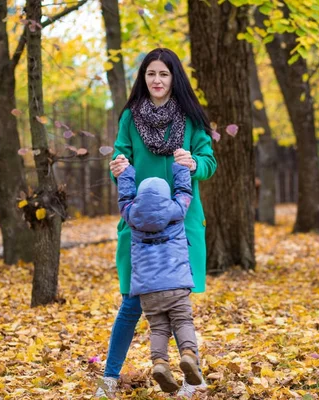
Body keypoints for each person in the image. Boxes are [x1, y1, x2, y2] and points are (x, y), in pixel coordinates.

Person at [96, 48, 217, 399]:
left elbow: (209, 161)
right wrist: (117, 167)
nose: (157, 80)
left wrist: (194, 163)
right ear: (143, 78)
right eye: (151, 74)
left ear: (174, 77)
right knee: (131, 301)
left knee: (180, 302)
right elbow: (121, 158)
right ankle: (109, 379)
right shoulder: (130, 117)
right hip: (140, 226)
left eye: (164, 74)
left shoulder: (192, 118)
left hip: (181, 221)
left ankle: (194, 382)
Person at [117, 162, 202, 393]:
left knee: (158, 329)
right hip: (176, 284)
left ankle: (160, 363)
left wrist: (126, 173)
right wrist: (181, 168)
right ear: (167, 197)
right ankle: (188, 355)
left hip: (148, 289)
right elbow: (184, 192)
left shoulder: (132, 215)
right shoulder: (176, 211)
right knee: (183, 321)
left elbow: (124, 197)